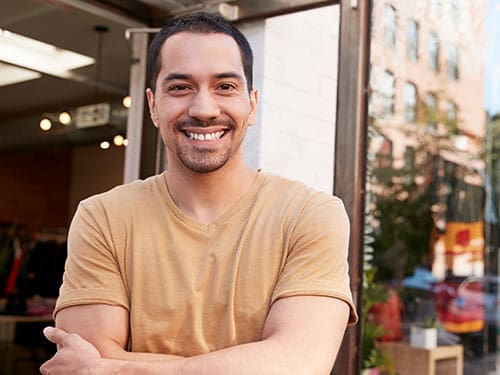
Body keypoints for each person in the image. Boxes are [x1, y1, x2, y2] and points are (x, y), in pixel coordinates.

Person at [40, 12, 358, 374]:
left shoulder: (310, 214)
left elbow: (299, 364)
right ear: (152, 104)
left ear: (252, 104)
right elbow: (83, 357)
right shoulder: (103, 217)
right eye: (180, 87)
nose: (204, 109)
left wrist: (117, 367)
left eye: (225, 86)